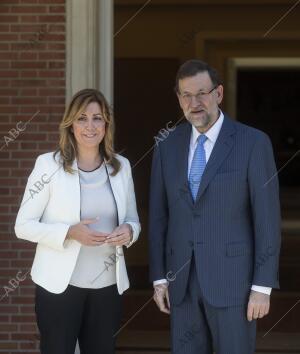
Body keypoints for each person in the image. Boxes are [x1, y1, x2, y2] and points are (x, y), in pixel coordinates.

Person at [148, 60, 281, 354]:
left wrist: (263, 286)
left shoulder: (253, 143)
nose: (194, 103)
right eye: (186, 95)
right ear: (179, 98)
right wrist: (159, 277)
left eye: (201, 93)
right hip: (180, 284)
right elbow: (158, 217)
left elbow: (267, 219)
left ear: (219, 93)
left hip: (235, 285)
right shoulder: (166, 145)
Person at [15, 88, 141, 354]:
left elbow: (133, 220)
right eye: (82, 118)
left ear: (106, 124)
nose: (90, 126)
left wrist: (129, 231)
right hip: (60, 287)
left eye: (97, 118)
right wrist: (69, 232)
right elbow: (23, 225)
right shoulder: (48, 166)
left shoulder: (121, 167)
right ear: (70, 124)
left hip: (108, 287)